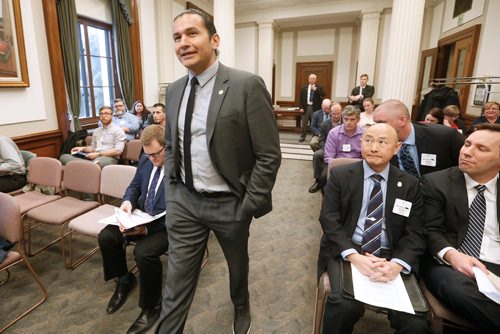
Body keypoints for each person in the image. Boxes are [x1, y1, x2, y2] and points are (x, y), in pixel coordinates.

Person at [156, 9, 281, 334]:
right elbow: (170, 144)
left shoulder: (246, 85)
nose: (183, 42)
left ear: (214, 40)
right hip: (184, 202)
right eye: (177, 37)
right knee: (176, 283)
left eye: (192, 33)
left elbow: (268, 155)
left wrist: (248, 205)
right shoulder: (173, 91)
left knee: (237, 266)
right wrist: (173, 186)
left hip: (230, 204)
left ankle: (241, 303)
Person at [318, 123, 428, 334]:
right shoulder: (341, 175)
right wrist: (353, 256)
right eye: (368, 140)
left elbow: (416, 231)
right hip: (349, 249)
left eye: (382, 142)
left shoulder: (409, 184)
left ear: (396, 148)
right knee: (343, 305)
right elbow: (329, 220)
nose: (373, 147)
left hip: (390, 255)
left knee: (416, 321)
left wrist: (397, 264)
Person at [421, 123, 500, 331]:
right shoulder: (436, 182)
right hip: (450, 263)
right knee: (458, 288)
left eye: (481, 149)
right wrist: (453, 256)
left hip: (496, 263)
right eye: (467, 144)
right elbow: (430, 230)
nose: (467, 152)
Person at [98, 125, 169, 334]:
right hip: (141, 216)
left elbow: (183, 211)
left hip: (166, 225)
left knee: (143, 252)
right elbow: (134, 185)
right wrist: (128, 203)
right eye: (148, 155)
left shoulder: (180, 169)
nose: (152, 159)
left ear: (168, 147)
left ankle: (152, 305)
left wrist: (147, 230)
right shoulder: (147, 159)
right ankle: (124, 278)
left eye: (156, 154)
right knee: (107, 236)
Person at [373, 99, 464, 178]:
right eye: (375, 123)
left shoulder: (445, 136)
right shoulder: (379, 145)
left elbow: (468, 166)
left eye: (381, 122)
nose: (377, 127)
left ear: (402, 120)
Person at [59, 106, 126, 167]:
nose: (103, 116)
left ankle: (84, 165)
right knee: (63, 156)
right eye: (101, 114)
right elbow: (93, 148)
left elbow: (118, 151)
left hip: (109, 158)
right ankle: (86, 165)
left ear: (112, 116)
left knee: (95, 164)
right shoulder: (96, 131)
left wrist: (98, 154)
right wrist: (82, 149)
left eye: (106, 113)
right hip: (94, 156)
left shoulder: (118, 130)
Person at [309, 102, 342, 193]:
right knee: (317, 155)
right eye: (334, 113)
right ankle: (317, 180)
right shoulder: (325, 124)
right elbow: (321, 140)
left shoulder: (345, 122)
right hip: (328, 148)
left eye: (338, 113)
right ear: (330, 113)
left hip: (341, 150)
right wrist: (327, 150)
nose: (336, 116)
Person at [298, 73, 325, 142]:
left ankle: (314, 137)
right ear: (308, 79)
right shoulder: (304, 88)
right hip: (306, 107)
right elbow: (301, 99)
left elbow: (323, 94)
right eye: (310, 78)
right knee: (304, 123)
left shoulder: (319, 87)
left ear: (315, 79)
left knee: (314, 123)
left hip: (315, 108)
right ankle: (302, 136)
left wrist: (315, 89)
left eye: (313, 78)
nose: (311, 80)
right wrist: (301, 107)